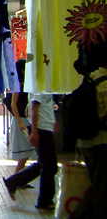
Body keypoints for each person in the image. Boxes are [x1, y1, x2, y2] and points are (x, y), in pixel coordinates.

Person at [69, 45, 107, 219]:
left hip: (86, 141)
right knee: (101, 191)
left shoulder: (90, 78)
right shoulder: (104, 83)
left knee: (97, 186)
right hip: (102, 143)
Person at [3, 92, 58, 210]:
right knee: (49, 166)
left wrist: (53, 121)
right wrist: (34, 132)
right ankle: (45, 200)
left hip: (45, 127)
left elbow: (46, 107)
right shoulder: (38, 87)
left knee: (44, 164)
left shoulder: (46, 87)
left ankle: (13, 182)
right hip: (42, 129)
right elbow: (34, 109)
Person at [7, 60, 33, 173]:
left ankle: (18, 178)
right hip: (21, 120)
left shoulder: (27, 83)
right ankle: (16, 178)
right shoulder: (17, 84)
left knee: (26, 154)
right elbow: (13, 104)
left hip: (25, 120)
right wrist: (19, 122)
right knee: (24, 154)